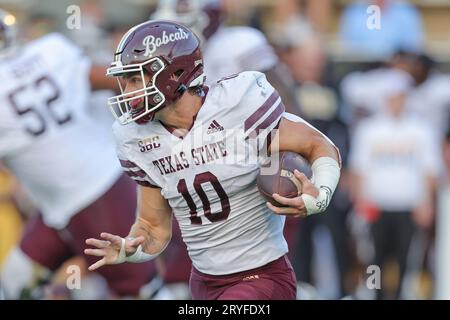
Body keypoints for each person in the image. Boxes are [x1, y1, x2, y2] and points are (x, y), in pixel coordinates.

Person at [84, 20, 341, 300]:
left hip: (260, 277)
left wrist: (321, 194)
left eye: (136, 79)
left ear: (174, 73)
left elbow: (318, 144)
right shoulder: (136, 138)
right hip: (202, 282)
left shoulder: (237, 104)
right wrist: (130, 249)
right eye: (125, 81)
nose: (129, 92)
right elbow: (153, 227)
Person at [0, 9, 156, 299]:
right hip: (65, 204)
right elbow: (110, 80)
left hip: (96, 196)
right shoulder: (50, 50)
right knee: (14, 282)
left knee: (141, 293)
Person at [349, 70, 440, 299]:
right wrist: (360, 201)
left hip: (409, 205)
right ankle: (374, 295)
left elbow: (430, 169)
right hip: (376, 205)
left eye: (400, 96)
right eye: (391, 96)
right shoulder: (369, 129)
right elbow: (358, 169)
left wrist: (427, 203)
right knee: (374, 258)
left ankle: (402, 294)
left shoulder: (422, 129)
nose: (395, 102)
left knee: (406, 257)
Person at [151, 0, 301, 115]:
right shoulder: (164, 56)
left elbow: (284, 102)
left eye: (185, 24)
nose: (177, 36)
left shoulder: (240, 43)